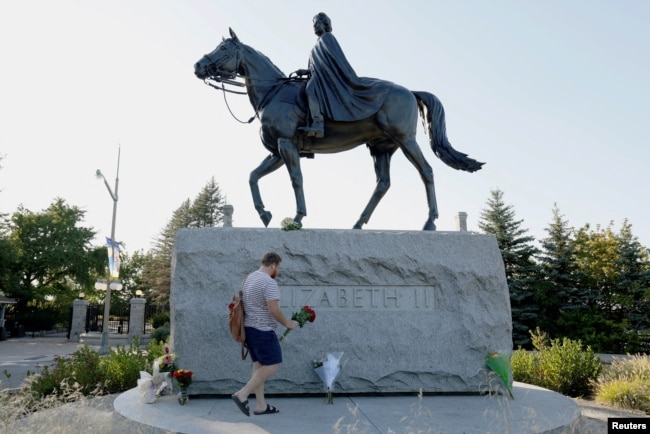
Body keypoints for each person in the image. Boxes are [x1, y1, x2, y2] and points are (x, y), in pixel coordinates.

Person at [296, 12, 390, 138]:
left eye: (317, 23)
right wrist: (306, 71)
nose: (314, 26)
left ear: (325, 24)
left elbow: (336, 60)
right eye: (313, 24)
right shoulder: (315, 46)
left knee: (310, 89)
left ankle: (318, 123)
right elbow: (315, 67)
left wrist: (321, 72)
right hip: (319, 76)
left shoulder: (327, 38)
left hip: (328, 77)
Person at [231, 252, 298, 416]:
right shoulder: (269, 282)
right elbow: (273, 309)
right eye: (278, 268)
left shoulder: (249, 278)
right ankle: (243, 394)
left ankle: (261, 405)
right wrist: (287, 323)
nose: (278, 271)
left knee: (258, 367)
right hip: (262, 330)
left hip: (249, 330)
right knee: (272, 364)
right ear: (273, 265)